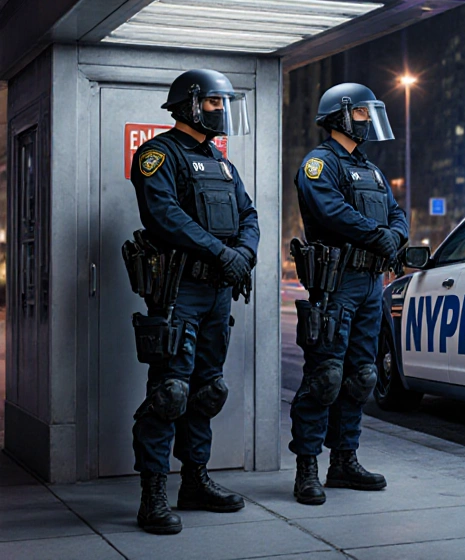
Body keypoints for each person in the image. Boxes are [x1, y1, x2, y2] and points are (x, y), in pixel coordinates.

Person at [129, 69, 259, 534]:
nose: (221, 111)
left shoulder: (222, 164)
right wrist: (222, 253)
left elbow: (249, 214)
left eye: (224, 104)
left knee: (208, 390)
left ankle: (195, 481)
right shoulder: (158, 155)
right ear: (189, 103)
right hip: (179, 291)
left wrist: (244, 254)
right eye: (213, 103)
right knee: (171, 392)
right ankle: (152, 495)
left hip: (218, 292)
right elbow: (164, 215)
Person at [290, 82, 408, 505]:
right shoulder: (320, 164)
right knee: (325, 377)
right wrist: (379, 236)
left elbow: (397, 213)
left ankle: (344, 460)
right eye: (361, 113)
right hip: (336, 282)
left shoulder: (372, 171)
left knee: (362, 377)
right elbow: (331, 212)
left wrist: (396, 235)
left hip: (370, 283)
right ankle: (306, 468)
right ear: (339, 115)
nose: (368, 120)